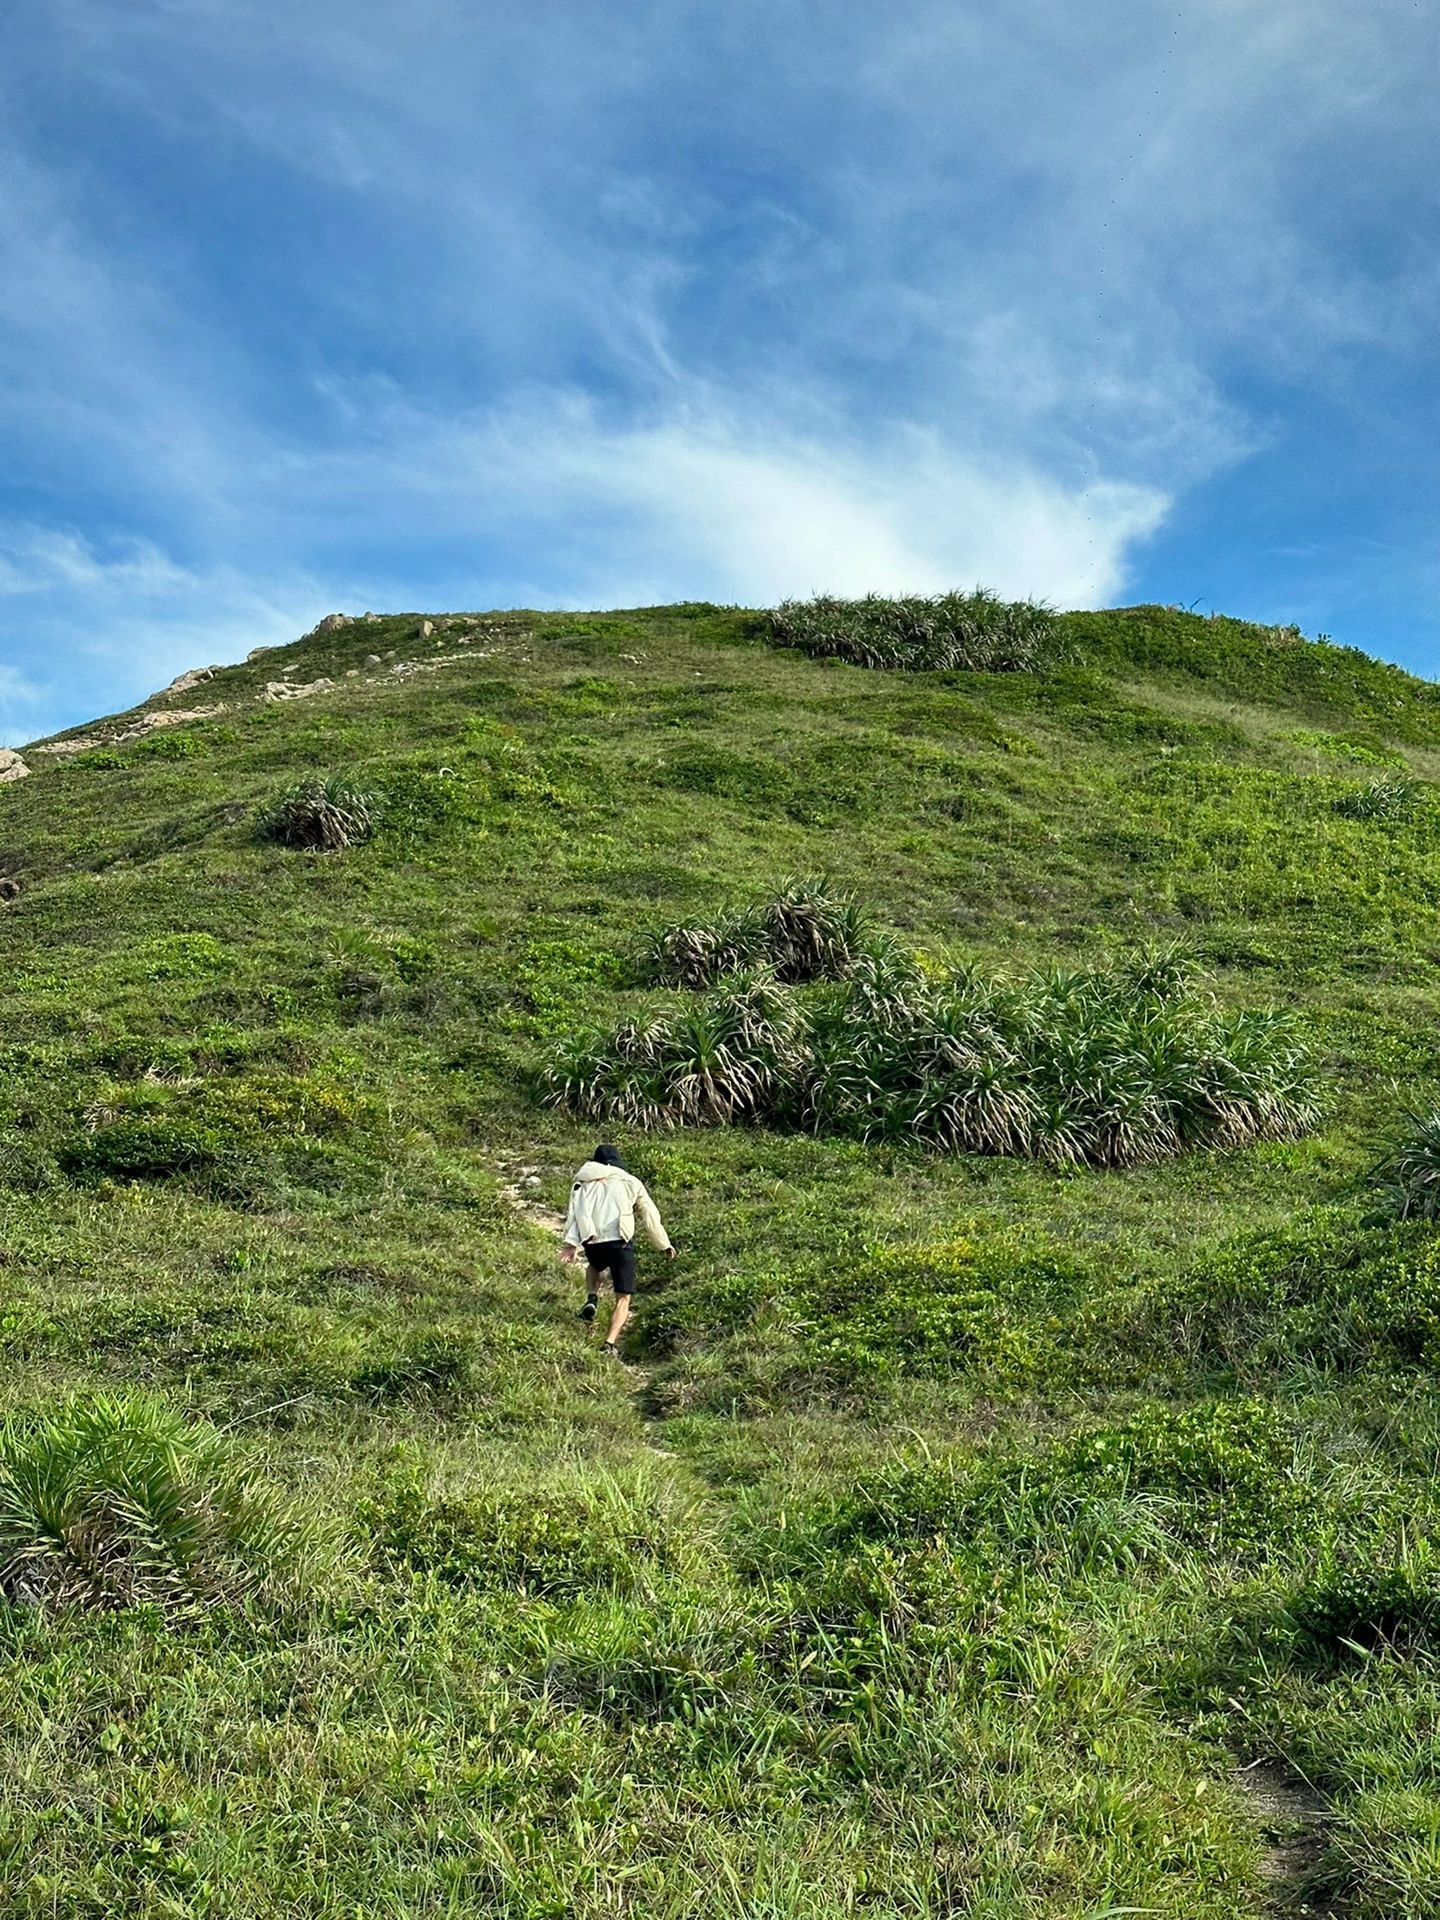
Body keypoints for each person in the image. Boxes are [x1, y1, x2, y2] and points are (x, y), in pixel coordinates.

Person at [560, 1144, 676, 1357]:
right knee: (623, 1298)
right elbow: (649, 1214)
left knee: (594, 1266)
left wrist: (570, 1244)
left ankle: (592, 1297)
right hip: (621, 1243)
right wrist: (663, 1243)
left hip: (592, 1241)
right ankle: (609, 1343)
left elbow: (573, 1215)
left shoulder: (581, 1182)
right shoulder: (630, 1181)